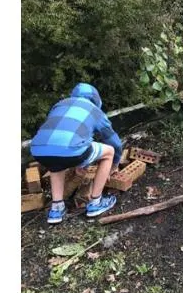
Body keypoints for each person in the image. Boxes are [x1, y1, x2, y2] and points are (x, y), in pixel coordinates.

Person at [28, 83, 121, 223]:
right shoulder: (94, 110)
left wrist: (79, 161)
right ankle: (96, 202)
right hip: (72, 150)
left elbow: (60, 137)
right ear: (96, 99)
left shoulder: (59, 105)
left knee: (55, 163)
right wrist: (115, 163)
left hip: (38, 150)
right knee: (109, 152)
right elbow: (114, 141)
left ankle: (56, 208)